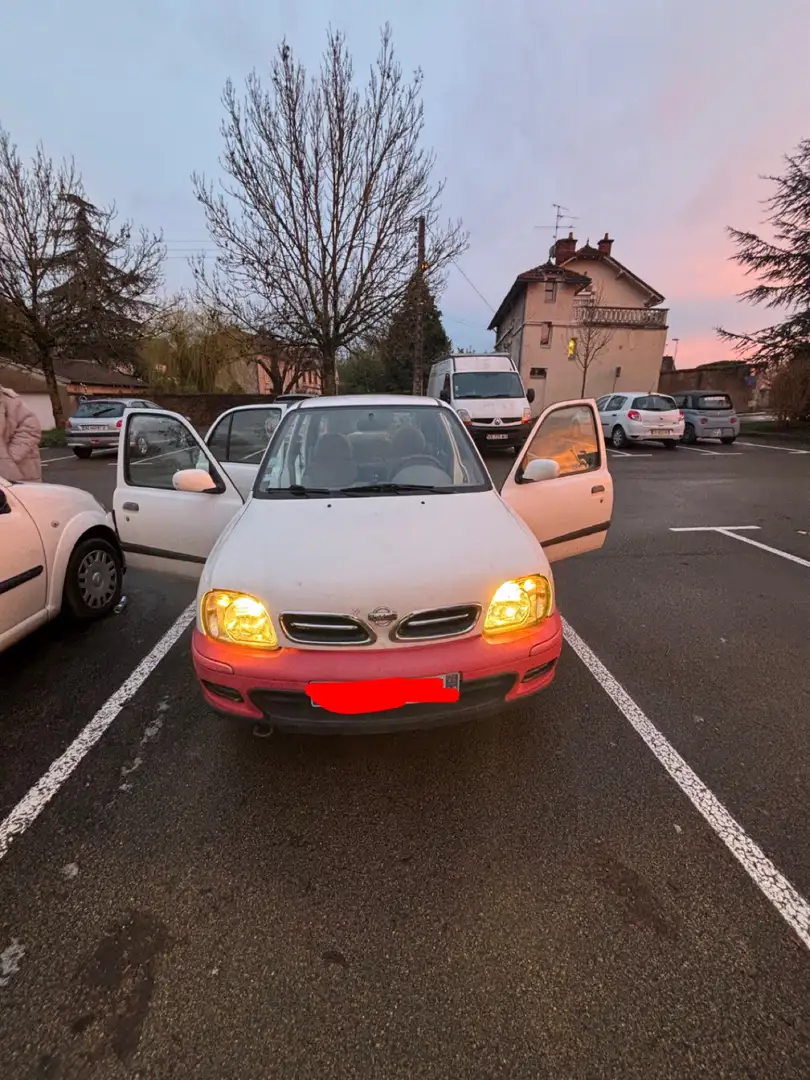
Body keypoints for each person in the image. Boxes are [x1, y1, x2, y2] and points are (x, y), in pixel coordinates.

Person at [0, 385, 43, 481]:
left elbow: (30, 429)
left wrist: (9, 458)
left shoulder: (10, 401)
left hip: (17, 472)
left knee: (19, 495)